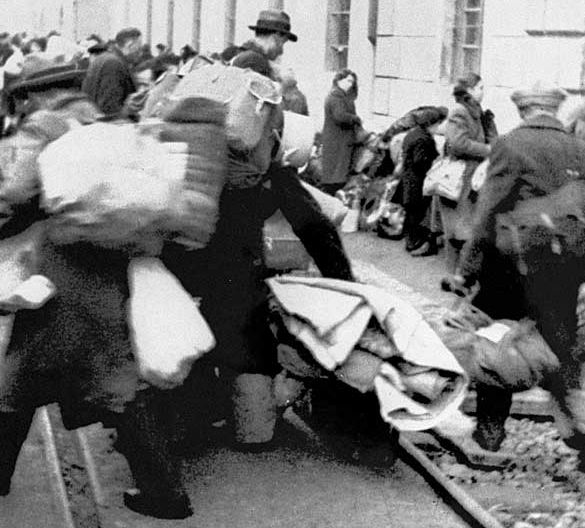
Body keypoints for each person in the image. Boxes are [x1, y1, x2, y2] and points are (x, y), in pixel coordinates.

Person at [0, 55, 192, 519]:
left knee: (19, 380)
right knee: (115, 378)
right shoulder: (117, 126)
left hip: (60, 267)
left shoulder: (45, 126)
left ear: (34, 94)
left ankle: (167, 495)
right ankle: (165, 492)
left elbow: (15, 196)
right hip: (112, 267)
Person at [161, 7, 355, 454]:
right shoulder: (266, 167)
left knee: (185, 339)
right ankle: (251, 432)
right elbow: (315, 227)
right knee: (246, 343)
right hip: (236, 263)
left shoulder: (195, 151)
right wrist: (344, 282)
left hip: (183, 258)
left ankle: (185, 430)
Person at [454, 84, 585, 463]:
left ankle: (490, 433)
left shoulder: (510, 145)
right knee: (559, 345)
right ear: (555, 111)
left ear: (525, 110)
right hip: (562, 270)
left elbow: (487, 214)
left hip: (509, 269)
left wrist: (466, 268)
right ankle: (578, 429)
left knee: (499, 344)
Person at [438, 73, 496, 282]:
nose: (483, 91)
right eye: (480, 87)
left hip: (473, 179)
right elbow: (458, 143)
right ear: (470, 90)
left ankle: (462, 275)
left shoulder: (478, 113)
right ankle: (453, 276)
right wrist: (487, 149)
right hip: (458, 178)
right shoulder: (460, 112)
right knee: (455, 232)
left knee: (467, 229)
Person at [399, 106, 448, 256]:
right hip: (417, 181)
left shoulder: (412, 134)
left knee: (411, 213)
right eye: (437, 124)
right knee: (417, 213)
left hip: (408, 178)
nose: (438, 127)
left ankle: (411, 241)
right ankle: (413, 243)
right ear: (430, 124)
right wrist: (434, 164)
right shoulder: (423, 138)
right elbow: (420, 161)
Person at [81, 27, 142, 119]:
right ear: (130, 45)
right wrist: (130, 109)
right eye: (139, 48)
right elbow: (110, 109)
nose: (140, 53)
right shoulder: (114, 64)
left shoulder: (105, 58)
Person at [320, 68, 362, 195]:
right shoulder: (336, 96)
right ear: (339, 80)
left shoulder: (339, 95)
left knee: (336, 173)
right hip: (337, 141)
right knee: (336, 175)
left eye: (352, 82)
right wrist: (355, 118)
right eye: (348, 81)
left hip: (339, 140)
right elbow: (339, 116)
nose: (350, 85)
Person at [231, 8, 297, 77]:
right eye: (282, 43)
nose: (281, 52)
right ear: (275, 38)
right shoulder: (257, 62)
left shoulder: (231, 52)